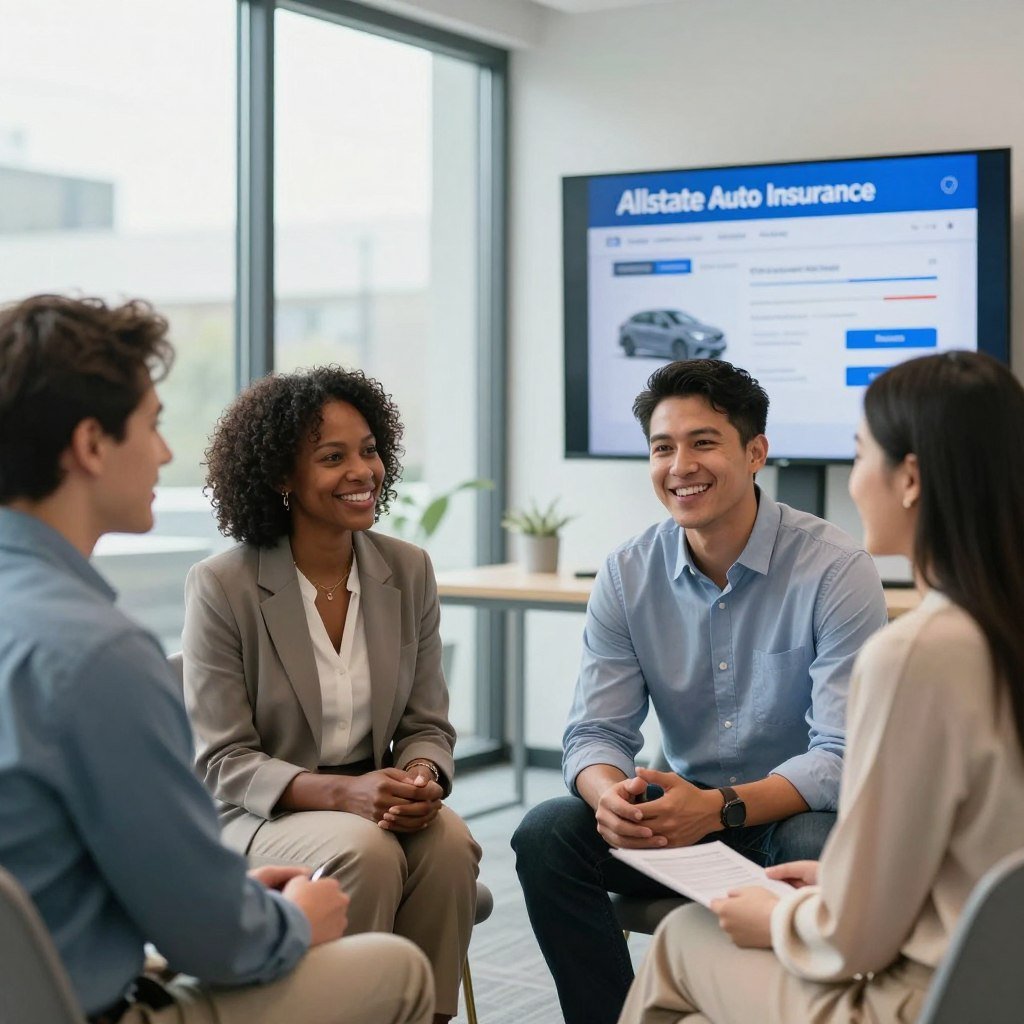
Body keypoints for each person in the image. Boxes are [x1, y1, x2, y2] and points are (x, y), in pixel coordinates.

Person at [0, 294, 434, 1024]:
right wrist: (298, 919)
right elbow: (221, 943)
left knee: (436, 849)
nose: (166, 454)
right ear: (90, 445)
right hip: (93, 1006)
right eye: (154, 424)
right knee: (395, 968)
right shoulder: (97, 654)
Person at [618, 348, 1024, 1024]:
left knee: (685, 937)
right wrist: (833, 887)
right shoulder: (1000, 629)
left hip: (916, 997)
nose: (856, 479)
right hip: (1000, 983)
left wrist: (785, 915)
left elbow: (852, 937)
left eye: (861, 455)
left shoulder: (916, 653)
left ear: (912, 479)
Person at [512, 358, 888, 1024]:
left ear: (755, 453)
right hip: (677, 819)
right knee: (547, 835)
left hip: (788, 816)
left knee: (815, 844)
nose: (680, 464)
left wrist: (716, 810)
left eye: (703, 442)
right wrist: (613, 800)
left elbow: (840, 754)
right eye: (663, 448)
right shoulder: (628, 573)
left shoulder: (836, 569)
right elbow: (595, 733)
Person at [181, 365, 480, 1024]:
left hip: (375, 795)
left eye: (370, 450)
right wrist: (345, 794)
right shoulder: (222, 585)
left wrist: (422, 775)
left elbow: (427, 722)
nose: (363, 471)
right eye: (333, 457)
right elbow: (225, 760)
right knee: (364, 850)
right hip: (263, 813)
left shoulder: (407, 569)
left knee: (450, 842)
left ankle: (425, 1014)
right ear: (282, 476)